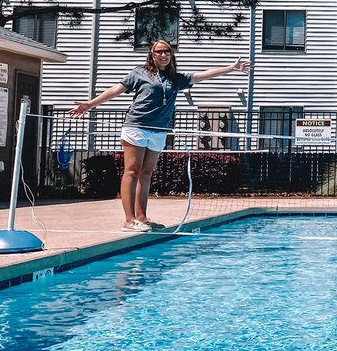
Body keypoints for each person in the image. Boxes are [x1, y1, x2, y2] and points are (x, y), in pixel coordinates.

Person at [71, 41, 249, 231]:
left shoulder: (176, 78)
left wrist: (231, 68)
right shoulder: (139, 73)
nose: (163, 55)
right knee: (132, 171)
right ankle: (129, 220)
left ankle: (142, 217)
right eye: (159, 52)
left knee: (146, 174)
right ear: (152, 54)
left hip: (159, 131)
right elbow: (116, 90)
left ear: (171, 55)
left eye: (167, 52)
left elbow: (202, 75)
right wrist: (90, 104)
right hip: (136, 127)